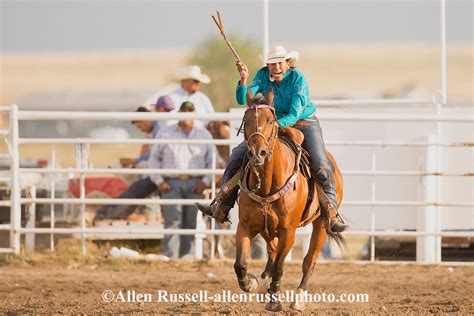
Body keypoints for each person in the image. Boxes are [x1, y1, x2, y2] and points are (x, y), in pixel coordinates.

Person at [197, 45, 348, 233]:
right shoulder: (261, 76)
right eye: (271, 64)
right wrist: (243, 79)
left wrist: (276, 124)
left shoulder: (298, 79)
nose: (275, 67)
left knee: (320, 162)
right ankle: (221, 205)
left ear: (287, 63)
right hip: (271, 125)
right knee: (237, 156)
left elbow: (296, 111)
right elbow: (243, 98)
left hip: (304, 123)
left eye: (279, 63)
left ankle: (331, 214)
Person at [149, 101, 217, 258]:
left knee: (191, 221)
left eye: (189, 111)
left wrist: (205, 181)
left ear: (194, 114)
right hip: (171, 182)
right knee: (172, 220)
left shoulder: (204, 134)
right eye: (183, 111)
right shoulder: (165, 133)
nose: (186, 114)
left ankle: (187, 256)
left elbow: (212, 161)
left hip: (195, 182)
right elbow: (154, 160)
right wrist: (159, 181)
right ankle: (171, 256)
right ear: (179, 113)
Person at [119, 96, 174, 168]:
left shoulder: (159, 128)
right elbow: (149, 151)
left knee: (140, 166)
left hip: (165, 163)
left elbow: (155, 153)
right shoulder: (154, 129)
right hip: (163, 161)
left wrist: (135, 161)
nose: (141, 130)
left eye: (140, 127)